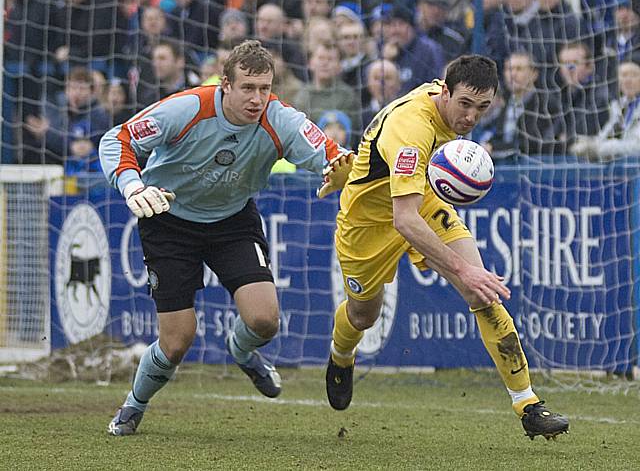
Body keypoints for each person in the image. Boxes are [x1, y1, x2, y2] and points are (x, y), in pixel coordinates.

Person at [100, 40, 353, 436]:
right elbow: (117, 138)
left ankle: (242, 351)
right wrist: (133, 187)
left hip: (232, 221)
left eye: (265, 89)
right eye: (248, 88)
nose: (257, 99)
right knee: (177, 341)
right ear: (225, 86)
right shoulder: (187, 107)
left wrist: (343, 169)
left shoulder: (282, 119)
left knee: (265, 319)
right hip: (168, 219)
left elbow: (336, 158)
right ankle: (133, 406)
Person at [325, 55, 569, 441]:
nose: (471, 117)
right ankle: (341, 356)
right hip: (369, 222)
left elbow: (406, 193)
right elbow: (403, 219)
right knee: (362, 316)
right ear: (445, 91)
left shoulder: (446, 103)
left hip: (420, 199)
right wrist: (461, 268)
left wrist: (468, 274)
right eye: (465, 105)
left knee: (483, 292)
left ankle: (529, 405)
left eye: (483, 107)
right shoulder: (412, 128)